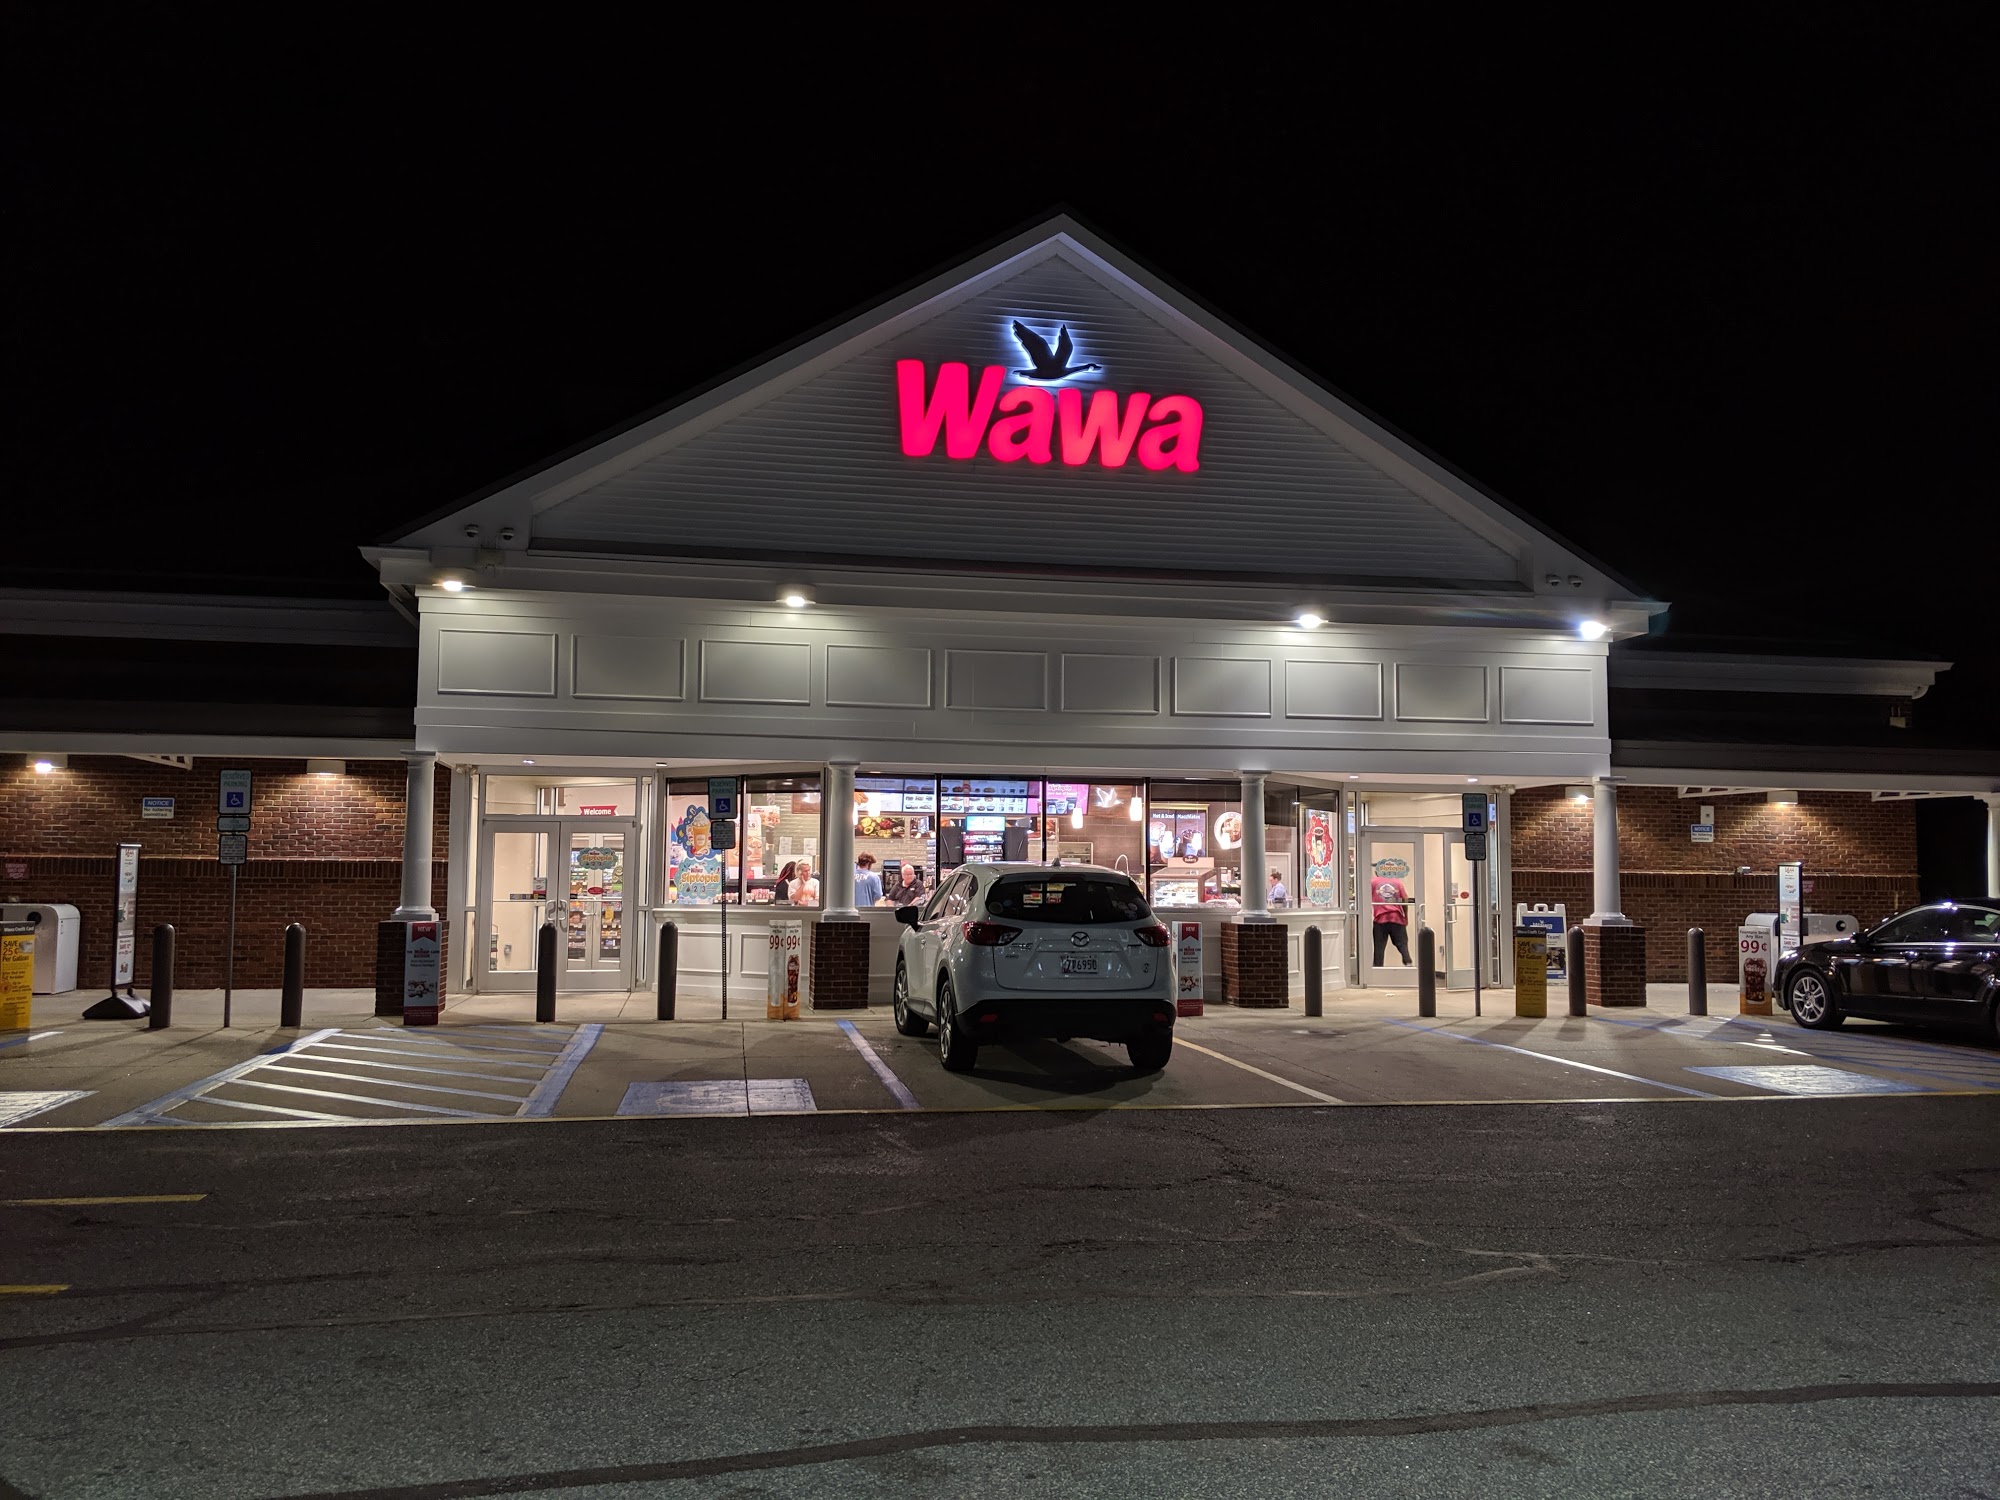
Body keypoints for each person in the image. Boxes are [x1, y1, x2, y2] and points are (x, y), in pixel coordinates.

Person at [1371, 872, 1413, 966]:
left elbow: (1365, 899)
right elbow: (1404, 901)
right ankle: (1408, 963)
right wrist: (1405, 917)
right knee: (1402, 945)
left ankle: (1378, 969)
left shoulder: (1373, 882)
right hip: (1396, 917)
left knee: (1379, 948)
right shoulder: (1397, 882)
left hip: (1380, 919)